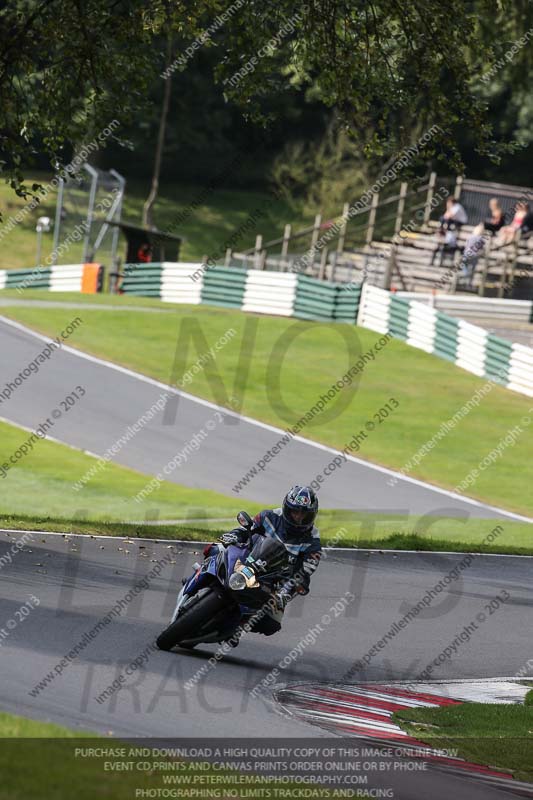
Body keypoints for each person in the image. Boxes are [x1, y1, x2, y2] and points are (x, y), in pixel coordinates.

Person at [206, 486, 321, 642]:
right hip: (245, 560)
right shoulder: (269, 516)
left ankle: (238, 627)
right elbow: (245, 530)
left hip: (270, 580)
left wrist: (285, 593)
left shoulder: (313, 541)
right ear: (287, 508)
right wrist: (231, 536)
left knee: (271, 623)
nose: (298, 518)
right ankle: (200, 575)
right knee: (214, 550)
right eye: (295, 511)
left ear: (312, 516)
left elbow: (305, 572)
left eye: (303, 514)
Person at [460, 223, 486, 288]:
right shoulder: (481, 239)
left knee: (463, 265)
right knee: (472, 270)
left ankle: (465, 275)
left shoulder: (470, 237)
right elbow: (481, 249)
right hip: (475, 255)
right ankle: (469, 283)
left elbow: (466, 246)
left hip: (467, 254)